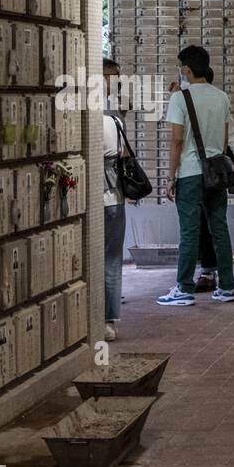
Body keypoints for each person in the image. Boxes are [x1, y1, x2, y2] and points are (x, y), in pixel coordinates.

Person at [158, 46, 234, 307]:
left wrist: (171, 176)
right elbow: (227, 132)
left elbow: (176, 141)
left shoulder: (179, 98)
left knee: (189, 231)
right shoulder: (221, 97)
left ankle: (184, 289)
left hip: (189, 172)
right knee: (219, 228)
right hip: (215, 173)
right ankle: (227, 287)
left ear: (186, 70)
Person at [102, 59, 127, 340]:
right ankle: (109, 320)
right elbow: (123, 155)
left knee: (95, 258)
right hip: (115, 196)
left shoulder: (82, 111)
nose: (118, 81)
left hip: (92, 196)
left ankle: (90, 316)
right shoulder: (115, 117)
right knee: (111, 258)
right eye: (115, 75)